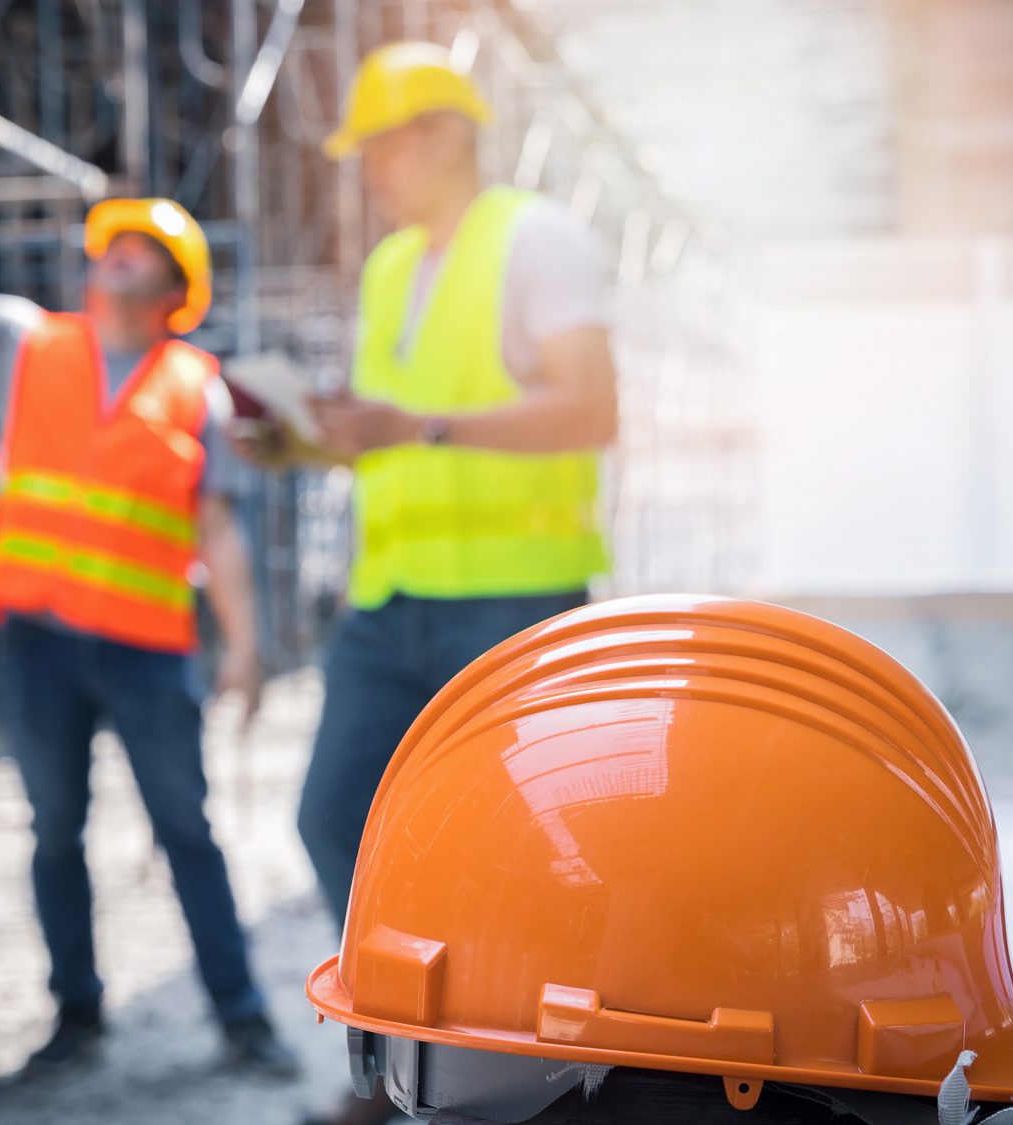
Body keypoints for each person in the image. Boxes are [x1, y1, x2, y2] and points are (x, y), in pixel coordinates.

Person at [242, 42, 619, 1125]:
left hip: (510, 604)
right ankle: (392, 1070)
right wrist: (306, 443)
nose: (365, 171)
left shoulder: (535, 241)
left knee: (525, 857)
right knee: (334, 822)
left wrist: (422, 426)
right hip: (389, 604)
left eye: (380, 146)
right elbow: (385, 435)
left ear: (447, 135)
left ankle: (532, 1076)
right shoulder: (389, 270)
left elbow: (590, 409)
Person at [0, 134, 297, 1078]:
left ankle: (242, 1016)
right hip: (40, 644)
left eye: (137, 248)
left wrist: (245, 647)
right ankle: (77, 1014)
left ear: (172, 285)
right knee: (54, 831)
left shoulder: (203, 392)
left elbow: (216, 527)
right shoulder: (28, 343)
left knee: (186, 831)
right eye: (112, 245)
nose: (114, 256)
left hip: (148, 652)